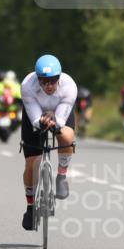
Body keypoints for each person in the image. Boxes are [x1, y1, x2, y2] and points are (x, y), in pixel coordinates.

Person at [19, 55, 77, 230]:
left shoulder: (69, 86)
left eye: (52, 81)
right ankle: (30, 207)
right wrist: (41, 122)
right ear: (38, 79)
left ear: (59, 78)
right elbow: (35, 118)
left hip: (59, 112)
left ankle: (61, 176)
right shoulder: (27, 85)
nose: (49, 86)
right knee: (30, 164)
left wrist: (56, 123)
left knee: (66, 137)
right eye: (44, 82)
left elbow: (61, 119)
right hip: (35, 114)